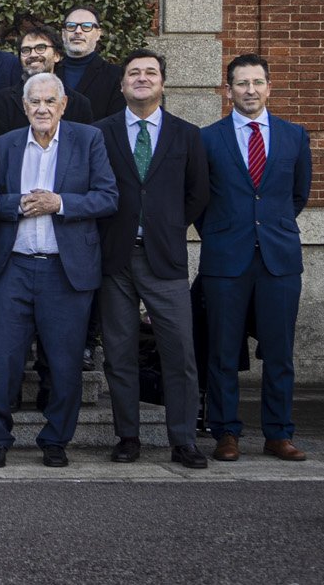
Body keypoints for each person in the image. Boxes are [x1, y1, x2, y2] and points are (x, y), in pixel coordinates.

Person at [0, 72, 117, 468]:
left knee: (65, 362)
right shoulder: (2, 146)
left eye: (49, 101)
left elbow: (108, 197)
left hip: (65, 271)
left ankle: (56, 440)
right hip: (12, 269)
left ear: (63, 105)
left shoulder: (87, 140)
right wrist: (18, 205)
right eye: (34, 102)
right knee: (1, 360)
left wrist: (61, 203)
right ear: (24, 107)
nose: (41, 108)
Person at [95, 49, 210, 469]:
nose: (142, 78)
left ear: (162, 83)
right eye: (133, 73)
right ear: (122, 84)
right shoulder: (100, 133)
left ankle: (183, 440)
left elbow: (198, 193)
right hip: (115, 259)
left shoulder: (187, 135)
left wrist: (169, 225)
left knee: (179, 351)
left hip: (165, 257)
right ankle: (128, 436)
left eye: (150, 72)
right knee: (120, 352)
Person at [198, 53, 314, 463]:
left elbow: (297, 195)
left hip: (279, 260)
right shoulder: (208, 139)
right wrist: (223, 232)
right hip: (225, 260)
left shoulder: (294, 136)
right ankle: (226, 432)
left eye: (257, 82)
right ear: (228, 90)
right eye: (241, 83)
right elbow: (199, 200)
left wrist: (267, 227)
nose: (250, 90)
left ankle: (278, 433)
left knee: (279, 353)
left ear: (269, 87)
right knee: (223, 352)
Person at [55, 4, 122, 121]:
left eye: (86, 26)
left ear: (98, 34)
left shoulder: (115, 76)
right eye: (71, 26)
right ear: (63, 34)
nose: (78, 31)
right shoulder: (50, 71)